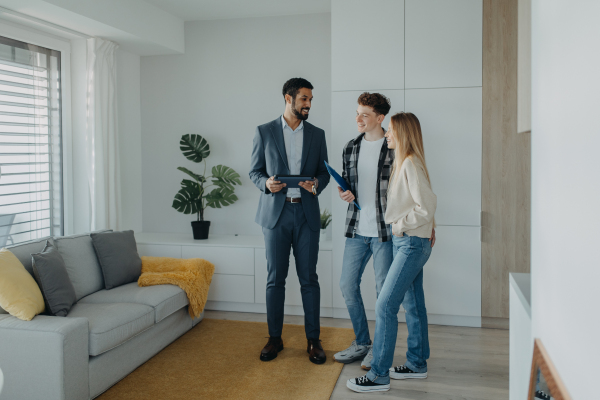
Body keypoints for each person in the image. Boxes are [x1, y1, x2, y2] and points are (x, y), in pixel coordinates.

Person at [347, 112, 437, 393]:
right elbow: (421, 204)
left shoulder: (409, 163)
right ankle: (417, 363)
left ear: (403, 133)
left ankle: (378, 374)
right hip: (409, 242)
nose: (387, 134)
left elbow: (426, 207)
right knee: (413, 304)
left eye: (391, 131)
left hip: (409, 242)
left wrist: (399, 225)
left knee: (386, 304)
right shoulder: (405, 161)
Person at [249, 77, 330, 364]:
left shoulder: (317, 134)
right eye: (304, 98)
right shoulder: (264, 131)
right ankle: (274, 338)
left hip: (306, 215)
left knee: (309, 279)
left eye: (310, 99)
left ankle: (313, 341)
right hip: (275, 215)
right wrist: (266, 184)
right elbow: (254, 171)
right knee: (275, 279)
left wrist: (316, 185)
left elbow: (324, 172)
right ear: (288, 98)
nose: (308, 104)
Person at [333, 92, 394, 369]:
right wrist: (344, 193)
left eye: (365, 114)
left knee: (383, 294)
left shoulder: (394, 146)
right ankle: (362, 343)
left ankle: (379, 351)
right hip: (357, 229)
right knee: (347, 285)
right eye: (357, 112)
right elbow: (349, 185)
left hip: (385, 232)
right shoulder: (350, 147)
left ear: (380, 118)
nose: (358, 118)